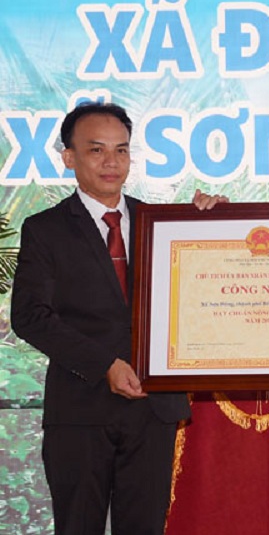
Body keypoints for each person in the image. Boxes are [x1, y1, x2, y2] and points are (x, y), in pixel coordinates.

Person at [11, 101, 225, 534]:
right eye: (97, 150)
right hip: (81, 408)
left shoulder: (164, 225)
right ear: (69, 157)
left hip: (154, 408)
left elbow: (206, 293)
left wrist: (220, 224)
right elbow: (29, 316)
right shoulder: (45, 228)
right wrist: (104, 365)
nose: (112, 162)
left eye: (121, 150)